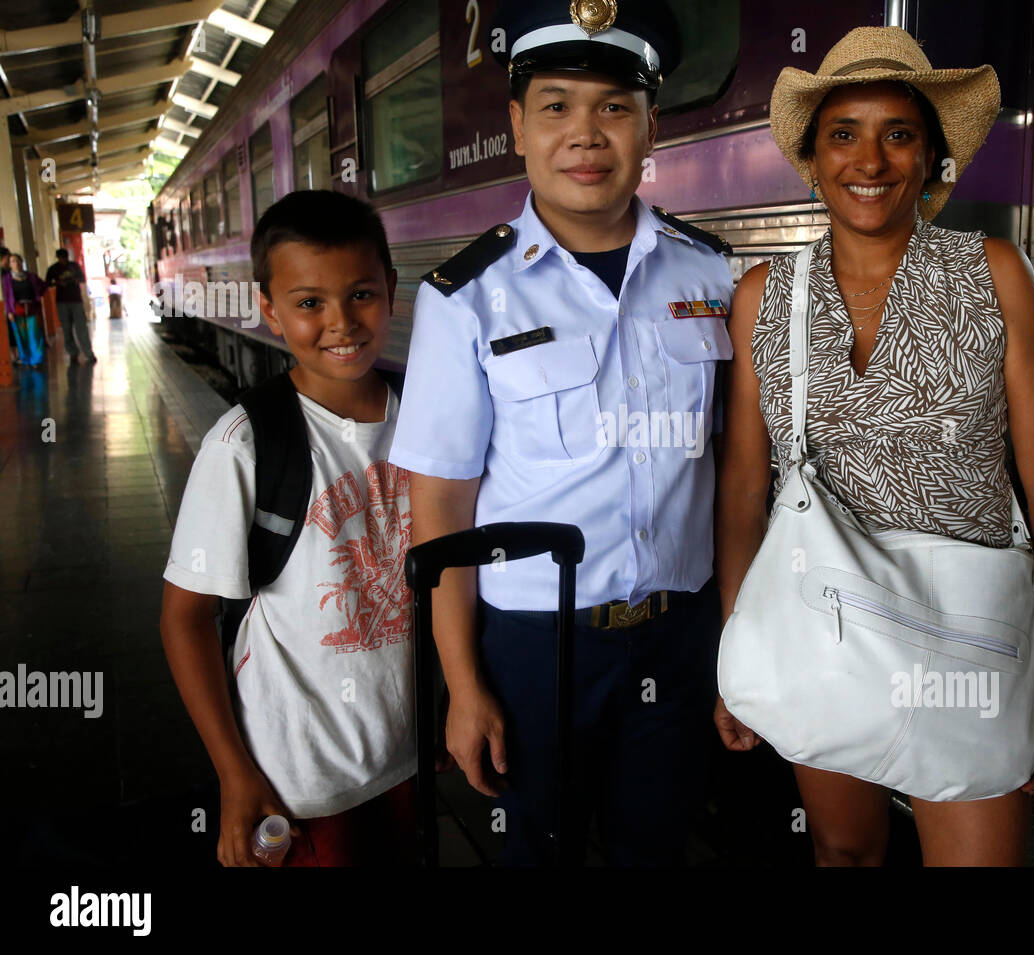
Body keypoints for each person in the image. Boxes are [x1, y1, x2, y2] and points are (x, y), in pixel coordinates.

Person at [713, 27, 1034, 866]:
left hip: (970, 637)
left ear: (930, 157)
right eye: (843, 134)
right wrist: (737, 651)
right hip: (821, 631)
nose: (869, 160)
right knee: (844, 854)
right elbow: (742, 489)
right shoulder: (765, 296)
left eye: (899, 134)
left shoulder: (993, 272)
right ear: (813, 155)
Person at [389, 0, 735, 865]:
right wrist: (462, 686)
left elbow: (735, 470)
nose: (587, 133)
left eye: (615, 107)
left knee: (654, 851)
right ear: (516, 126)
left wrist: (739, 639)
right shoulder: (464, 297)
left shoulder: (714, 273)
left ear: (652, 126)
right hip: (533, 648)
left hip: (681, 634)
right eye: (556, 106)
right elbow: (440, 507)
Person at [159, 191, 417, 866]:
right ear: (269, 310)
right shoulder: (246, 443)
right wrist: (234, 774)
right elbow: (185, 618)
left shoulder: (429, 421)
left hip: (407, 755)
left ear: (391, 288)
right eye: (309, 303)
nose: (341, 323)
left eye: (361, 294)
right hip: (296, 776)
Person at [44, 248, 96, 365]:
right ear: (58, 258)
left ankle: (88, 353)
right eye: (61, 258)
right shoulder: (53, 269)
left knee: (81, 327)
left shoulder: (74, 266)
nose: (63, 260)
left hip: (76, 300)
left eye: (65, 258)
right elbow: (47, 283)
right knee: (66, 329)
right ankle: (73, 352)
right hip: (62, 301)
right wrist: (57, 283)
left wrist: (73, 280)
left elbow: (82, 278)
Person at [3, 252, 47, 367]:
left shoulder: (31, 277)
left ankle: (36, 360)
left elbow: (43, 286)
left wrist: (38, 294)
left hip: (32, 309)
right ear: (9, 265)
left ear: (22, 263)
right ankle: (26, 359)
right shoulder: (7, 279)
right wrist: (9, 311)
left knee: (34, 334)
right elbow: (7, 296)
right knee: (21, 336)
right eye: (13, 261)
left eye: (18, 261)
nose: (16, 263)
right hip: (17, 310)